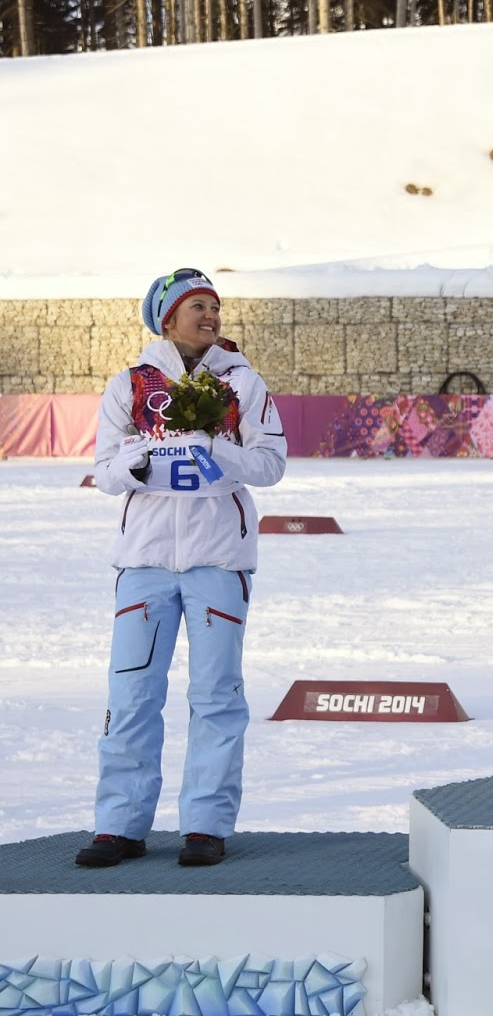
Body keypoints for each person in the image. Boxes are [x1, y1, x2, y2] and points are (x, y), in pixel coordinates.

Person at [76, 269, 287, 869]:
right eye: (198, 306)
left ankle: (205, 824)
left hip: (219, 560)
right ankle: (119, 825)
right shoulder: (129, 384)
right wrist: (139, 462)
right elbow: (105, 472)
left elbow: (271, 465)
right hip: (142, 561)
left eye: (215, 307)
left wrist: (211, 444)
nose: (210, 316)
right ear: (167, 318)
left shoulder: (244, 382)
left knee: (217, 694)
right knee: (132, 692)